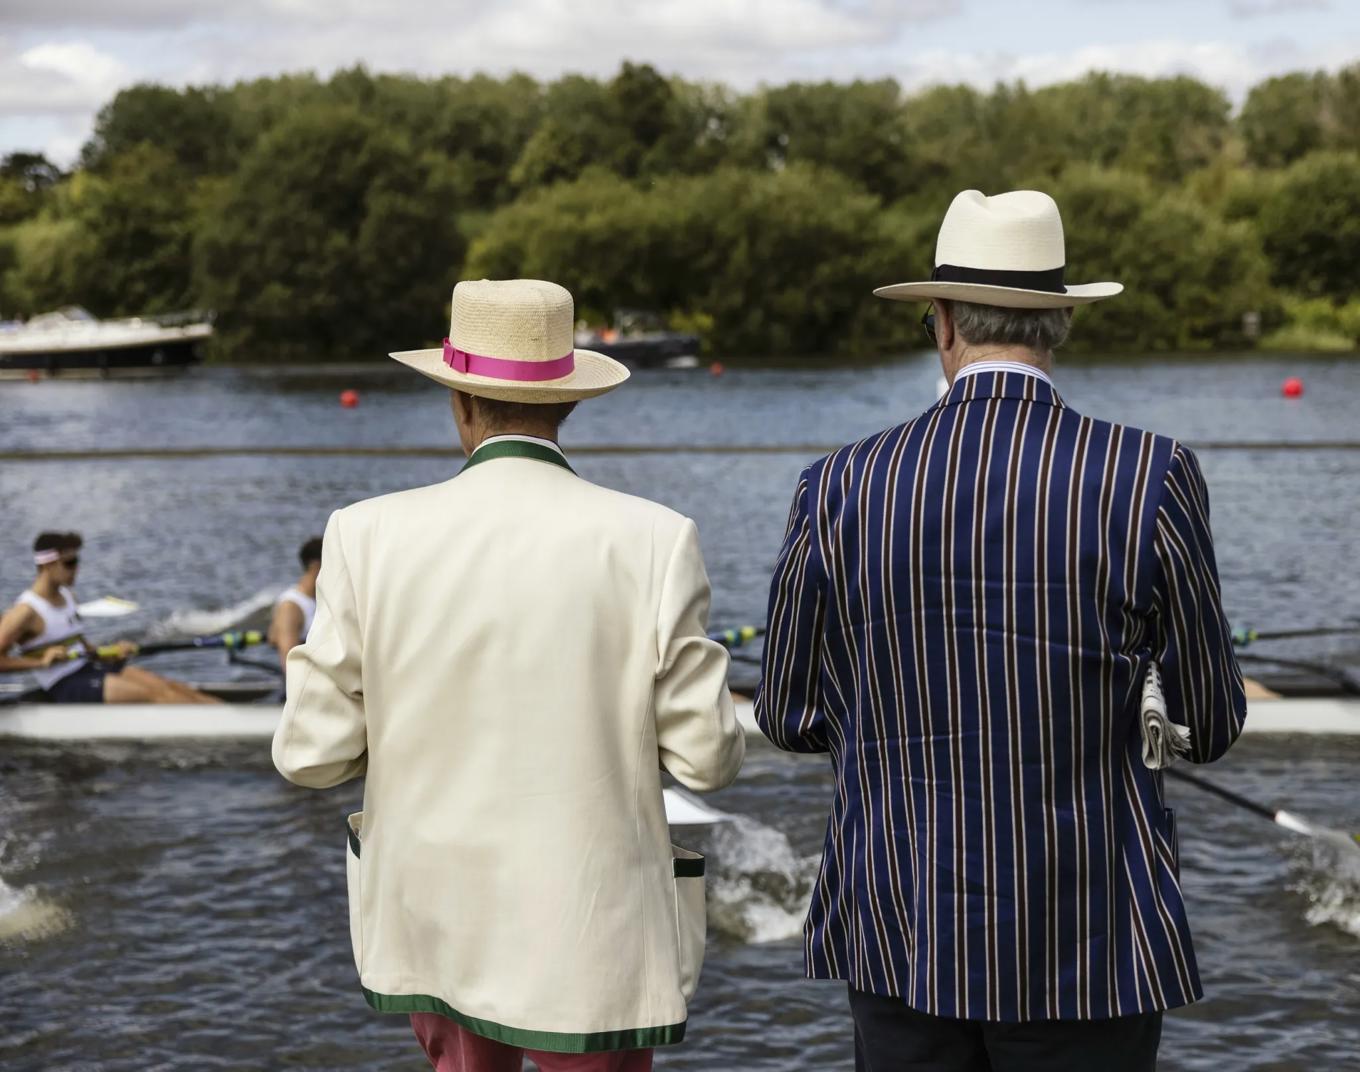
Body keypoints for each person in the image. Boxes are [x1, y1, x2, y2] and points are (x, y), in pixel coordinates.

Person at [755, 190, 1246, 1072]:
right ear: (1060, 322)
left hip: (898, 920)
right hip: (1089, 935)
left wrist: (886, 726)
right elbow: (1211, 724)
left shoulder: (837, 484)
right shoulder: (1149, 474)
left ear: (940, 323)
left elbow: (788, 714)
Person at [272, 279, 744, 1072]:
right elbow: (706, 759)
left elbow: (308, 756)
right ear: (567, 404)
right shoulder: (656, 539)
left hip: (435, 922)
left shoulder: (363, 534)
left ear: (459, 400)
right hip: (593, 932)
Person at [0, 531, 218, 704]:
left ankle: (230, 716)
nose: (76, 569)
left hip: (89, 669)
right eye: (70, 563)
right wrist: (40, 662)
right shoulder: (25, 612)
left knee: (168, 686)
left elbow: (79, 644)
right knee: (158, 695)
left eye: (77, 561)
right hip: (65, 685)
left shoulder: (68, 596)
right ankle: (223, 724)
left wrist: (109, 654)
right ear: (47, 565)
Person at [269, 535, 322, 673]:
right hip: (303, 686)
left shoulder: (320, 600)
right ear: (316, 566)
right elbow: (289, 664)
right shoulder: (291, 606)